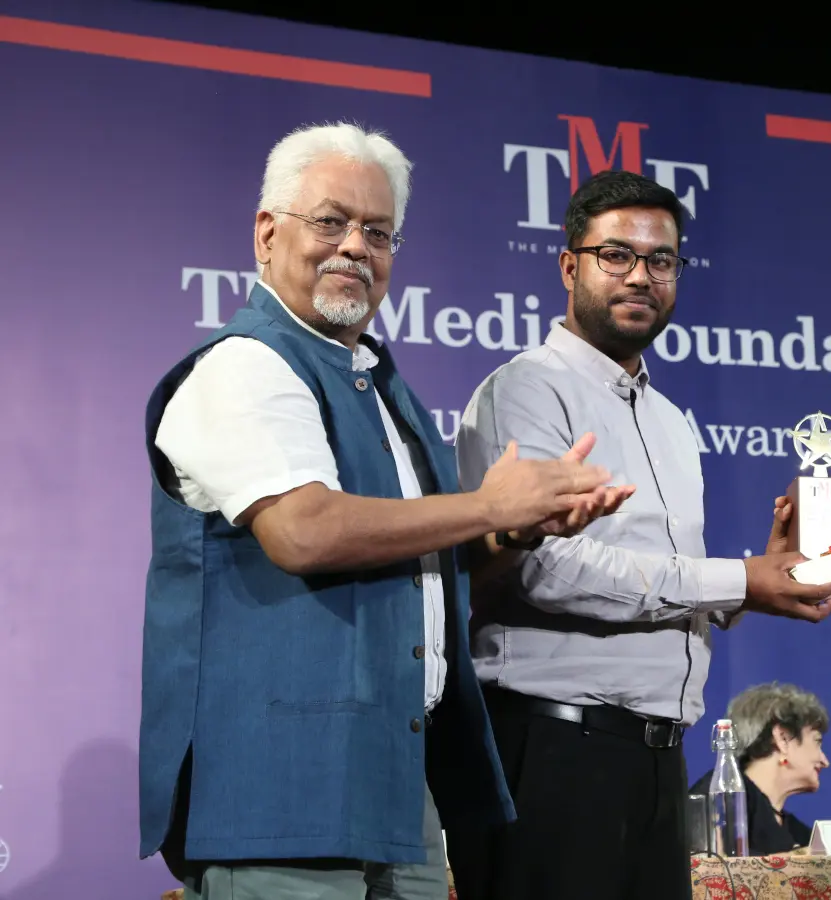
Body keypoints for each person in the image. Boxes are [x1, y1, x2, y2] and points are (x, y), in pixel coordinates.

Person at [139, 122, 628, 900]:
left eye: (378, 231)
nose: (355, 247)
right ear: (267, 234)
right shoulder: (244, 366)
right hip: (282, 797)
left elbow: (411, 563)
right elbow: (304, 531)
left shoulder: (375, 382)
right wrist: (483, 505)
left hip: (400, 790)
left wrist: (506, 529)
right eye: (329, 222)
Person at [446, 169, 831, 900]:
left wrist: (763, 579)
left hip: (658, 759)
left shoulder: (667, 418)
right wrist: (738, 579)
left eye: (661, 260)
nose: (641, 276)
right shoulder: (526, 389)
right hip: (555, 748)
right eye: (617, 256)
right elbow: (545, 569)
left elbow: (669, 573)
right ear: (571, 265)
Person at [690, 682, 831, 855]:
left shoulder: (795, 830)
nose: (825, 761)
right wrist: (825, 852)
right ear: (783, 738)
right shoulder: (719, 795)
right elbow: (716, 873)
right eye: (817, 742)